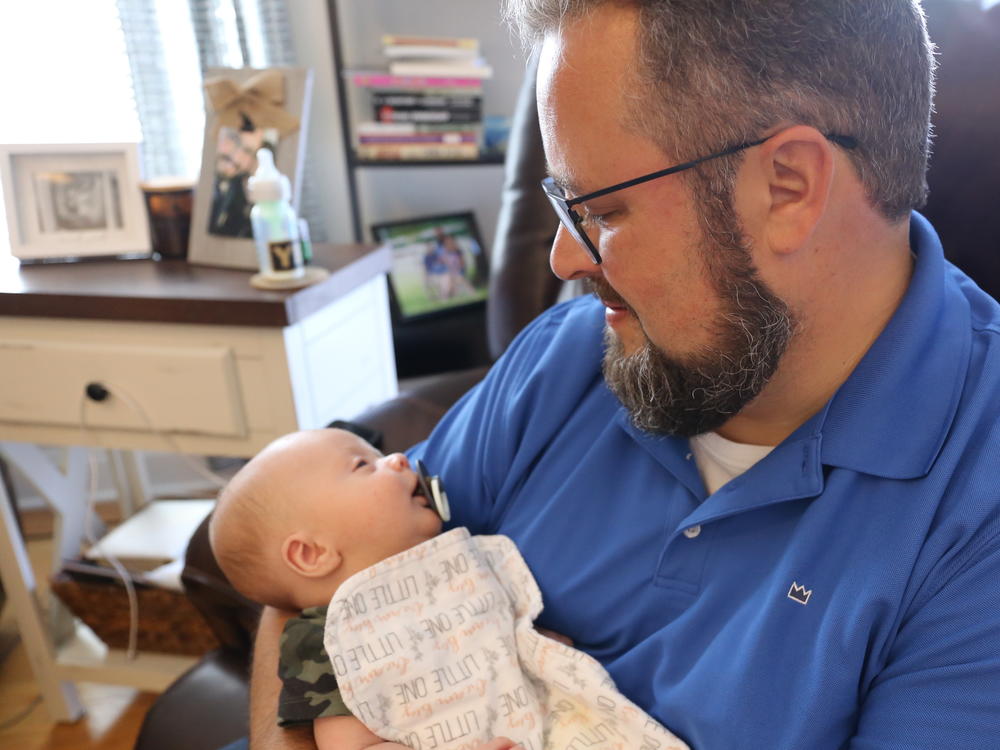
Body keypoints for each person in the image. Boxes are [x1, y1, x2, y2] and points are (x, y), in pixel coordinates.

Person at [247, 2, 1000, 748]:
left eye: (602, 210)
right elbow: (315, 588)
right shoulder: (568, 357)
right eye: (561, 203)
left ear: (789, 186)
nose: (564, 260)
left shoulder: (977, 505)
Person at [213, 429, 686, 750]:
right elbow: (350, 745)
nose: (399, 459)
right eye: (364, 465)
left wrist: (538, 651)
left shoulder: (460, 564)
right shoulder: (326, 639)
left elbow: (507, 626)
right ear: (312, 554)